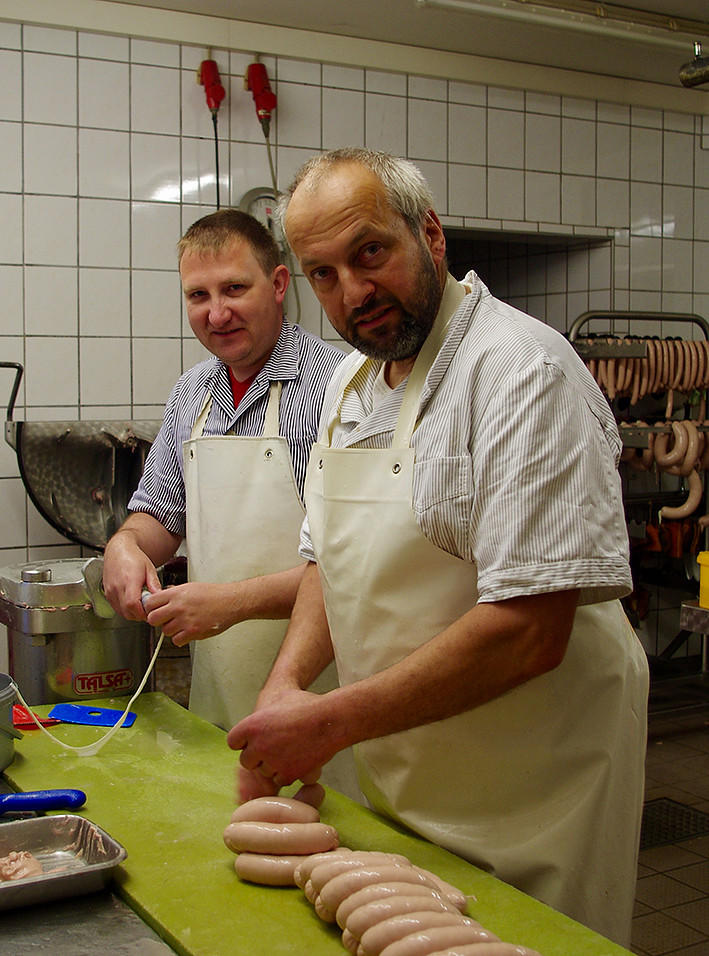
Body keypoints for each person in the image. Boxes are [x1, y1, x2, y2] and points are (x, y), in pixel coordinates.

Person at [226, 148, 649, 946]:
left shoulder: (519, 372)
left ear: (430, 233)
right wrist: (284, 689)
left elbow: (530, 630)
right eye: (322, 273)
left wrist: (332, 723)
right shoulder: (350, 387)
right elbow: (330, 564)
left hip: (536, 771)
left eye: (370, 253)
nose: (353, 293)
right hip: (408, 760)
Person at [102, 208, 359, 795]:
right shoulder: (193, 394)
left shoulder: (342, 387)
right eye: (198, 295)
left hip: (328, 704)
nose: (216, 314)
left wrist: (232, 603)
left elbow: (356, 569)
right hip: (218, 701)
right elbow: (157, 521)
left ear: (276, 285)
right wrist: (123, 545)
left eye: (234, 289)